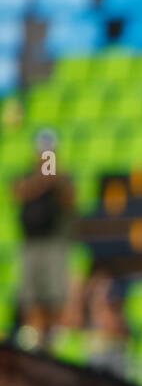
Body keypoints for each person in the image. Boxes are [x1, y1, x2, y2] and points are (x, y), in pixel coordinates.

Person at [12, 128, 77, 351]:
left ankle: (52, 340)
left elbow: (70, 200)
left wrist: (54, 179)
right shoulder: (28, 176)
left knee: (54, 296)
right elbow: (17, 191)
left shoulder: (62, 177)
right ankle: (35, 337)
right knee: (32, 297)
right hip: (31, 245)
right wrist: (42, 180)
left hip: (54, 244)